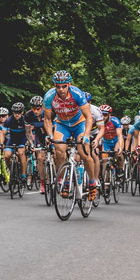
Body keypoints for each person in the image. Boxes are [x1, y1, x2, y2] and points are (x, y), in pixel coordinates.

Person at [43, 70, 96, 200]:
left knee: (84, 153)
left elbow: (89, 117)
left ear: (69, 84)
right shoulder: (49, 96)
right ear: (54, 85)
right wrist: (49, 135)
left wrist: (86, 135)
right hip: (62, 124)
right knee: (59, 150)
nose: (61, 89)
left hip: (79, 123)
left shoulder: (77, 93)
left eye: (64, 86)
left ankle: (92, 183)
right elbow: (47, 119)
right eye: (58, 86)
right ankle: (65, 181)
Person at [25, 95, 48, 193]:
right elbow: (28, 132)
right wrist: (31, 144)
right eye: (33, 108)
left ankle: (60, 178)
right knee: (40, 158)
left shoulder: (48, 113)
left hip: (51, 134)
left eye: (38, 109)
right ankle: (42, 183)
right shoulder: (28, 115)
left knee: (56, 154)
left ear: (42, 107)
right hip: (39, 136)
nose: (36, 111)